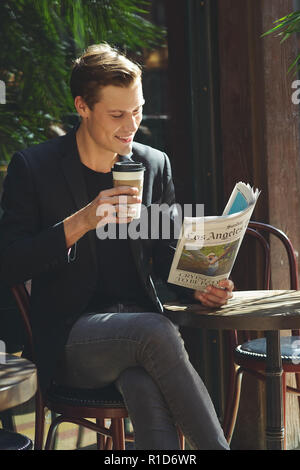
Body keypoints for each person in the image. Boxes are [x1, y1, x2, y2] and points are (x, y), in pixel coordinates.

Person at [0, 43, 233, 450]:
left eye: (138, 110)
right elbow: (9, 262)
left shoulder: (153, 163)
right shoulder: (34, 168)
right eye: (117, 114)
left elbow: (164, 254)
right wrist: (81, 222)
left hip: (140, 334)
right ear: (82, 107)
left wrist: (196, 283)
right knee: (155, 332)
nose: (132, 125)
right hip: (70, 337)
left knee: (143, 383)